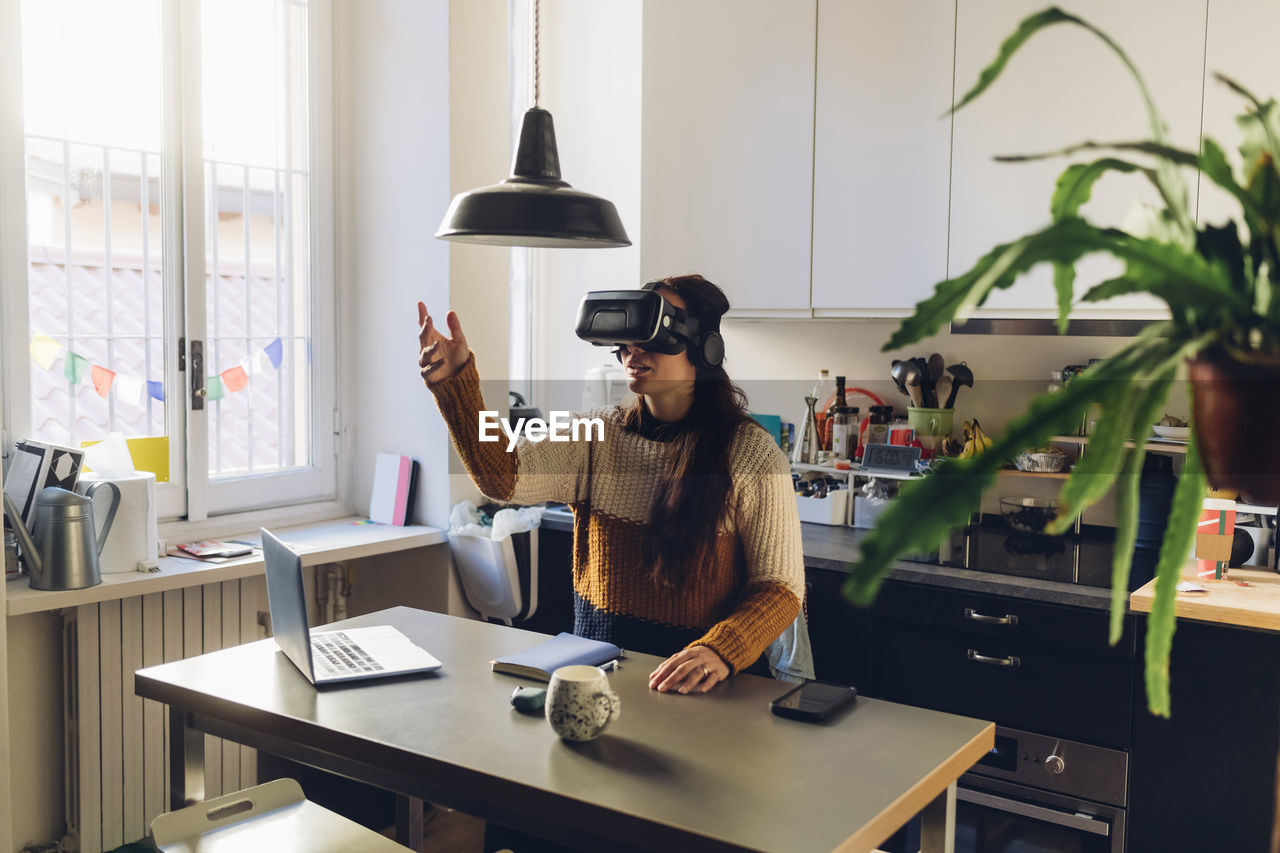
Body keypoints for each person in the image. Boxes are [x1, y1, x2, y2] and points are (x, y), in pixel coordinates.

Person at [418, 274, 807, 694]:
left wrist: (721, 649)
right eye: (627, 338)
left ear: (704, 348)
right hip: (599, 683)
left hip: (699, 692)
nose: (632, 350)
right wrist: (457, 383)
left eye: (651, 336)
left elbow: (780, 588)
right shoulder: (596, 433)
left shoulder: (752, 454)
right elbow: (503, 475)